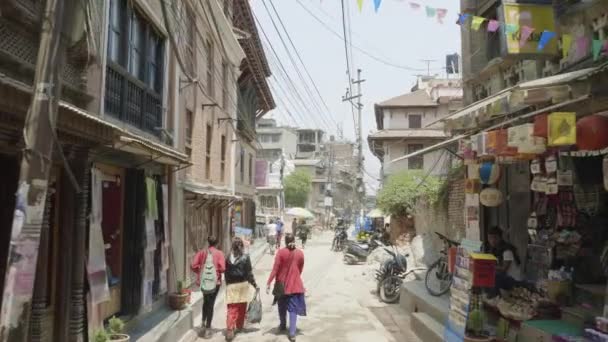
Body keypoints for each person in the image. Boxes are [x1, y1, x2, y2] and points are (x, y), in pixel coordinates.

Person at [266, 234, 306, 342]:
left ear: (285, 241)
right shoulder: (300, 253)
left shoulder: (281, 253)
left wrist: (269, 282)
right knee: (293, 309)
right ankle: (292, 333)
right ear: (293, 240)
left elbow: (275, 269)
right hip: (294, 285)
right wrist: (295, 276)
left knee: (281, 306)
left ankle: (283, 325)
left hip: (281, 285)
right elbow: (300, 268)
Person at [191, 236, 226, 338]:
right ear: (217, 243)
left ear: (208, 243)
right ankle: (207, 328)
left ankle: (202, 322)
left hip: (204, 282)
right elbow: (223, 268)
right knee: (211, 304)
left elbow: (193, 265)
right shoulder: (219, 253)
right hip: (216, 283)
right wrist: (217, 271)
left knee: (206, 301)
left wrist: (200, 271)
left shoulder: (202, 252)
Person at [224, 237, 258, 341]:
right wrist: (254, 284)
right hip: (242, 285)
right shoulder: (245, 257)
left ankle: (230, 328)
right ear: (241, 246)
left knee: (232, 307)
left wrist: (228, 284)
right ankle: (238, 326)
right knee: (242, 306)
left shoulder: (228, 257)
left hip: (231, 285)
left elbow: (226, 273)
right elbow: (249, 273)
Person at [484, 226, 523, 297]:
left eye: (495, 237)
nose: (492, 240)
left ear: (500, 237)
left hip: (513, 281)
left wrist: (489, 266)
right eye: (490, 238)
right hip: (504, 279)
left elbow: (503, 269)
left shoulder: (507, 250)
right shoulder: (494, 249)